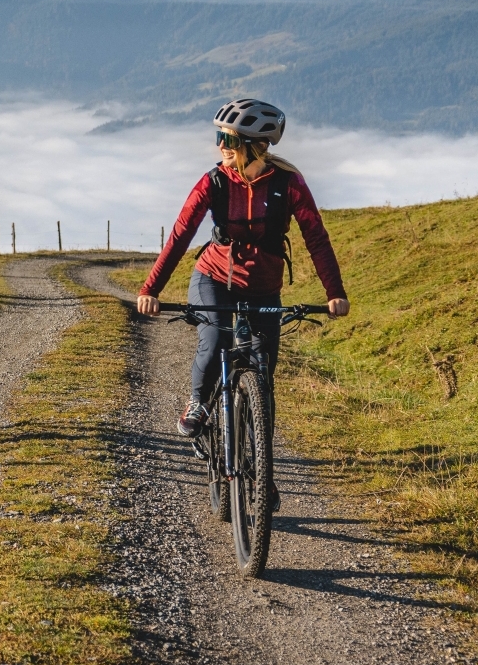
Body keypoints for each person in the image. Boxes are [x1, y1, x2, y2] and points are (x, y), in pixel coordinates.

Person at [136, 99, 350, 435]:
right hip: (214, 277)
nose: (221, 146)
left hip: (263, 284)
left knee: (263, 374)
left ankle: (262, 471)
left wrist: (335, 292)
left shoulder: (288, 184)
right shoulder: (214, 182)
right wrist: (151, 290)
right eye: (219, 137)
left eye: (230, 140)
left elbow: (316, 238)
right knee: (215, 341)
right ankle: (199, 401)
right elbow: (181, 234)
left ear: (256, 147)